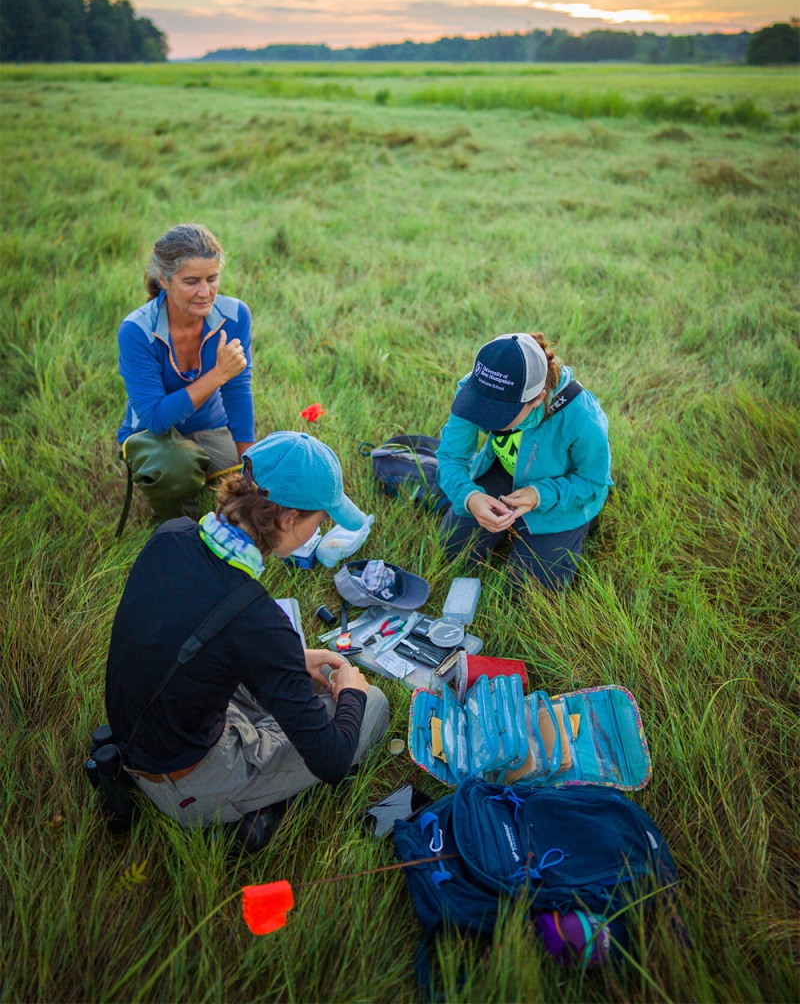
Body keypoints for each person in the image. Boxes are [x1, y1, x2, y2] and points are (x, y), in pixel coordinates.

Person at [105, 431, 389, 848]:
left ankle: (259, 790)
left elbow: (191, 633)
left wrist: (292, 656)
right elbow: (331, 760)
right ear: (289, 519)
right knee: (373, 707)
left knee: (296, 688)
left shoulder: (173, 534)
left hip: (147, 732)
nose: (319, 530)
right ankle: (246, 808)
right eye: (320, 520)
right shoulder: (256, 620)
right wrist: (351, 694)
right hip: (183, 781)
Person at [436, 332, 612, 592]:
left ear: (538, 398)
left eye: (498, 413)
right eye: (480, 406)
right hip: (502, 471)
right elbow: (451, 456)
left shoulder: (583, 417)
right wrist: (470, 497)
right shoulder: (474, 390)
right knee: (452, 549)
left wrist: (538, 494)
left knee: (526, 591)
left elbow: (593, 481)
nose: (484, 417)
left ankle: (581, 525)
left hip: (560, 490)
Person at [116, 223, 254, 523]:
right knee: (175, 469)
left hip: (210, 425)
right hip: (151, 432)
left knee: (256, 470)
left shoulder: (235, 315)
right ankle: (169, 521)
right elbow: (154, 418)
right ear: (164, 279)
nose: (205, 292)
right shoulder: (136, 331)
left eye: (212, 278)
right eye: (191, 281)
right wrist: (217, 375)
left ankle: (196, 475)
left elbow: (238, 389)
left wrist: (249, 465)